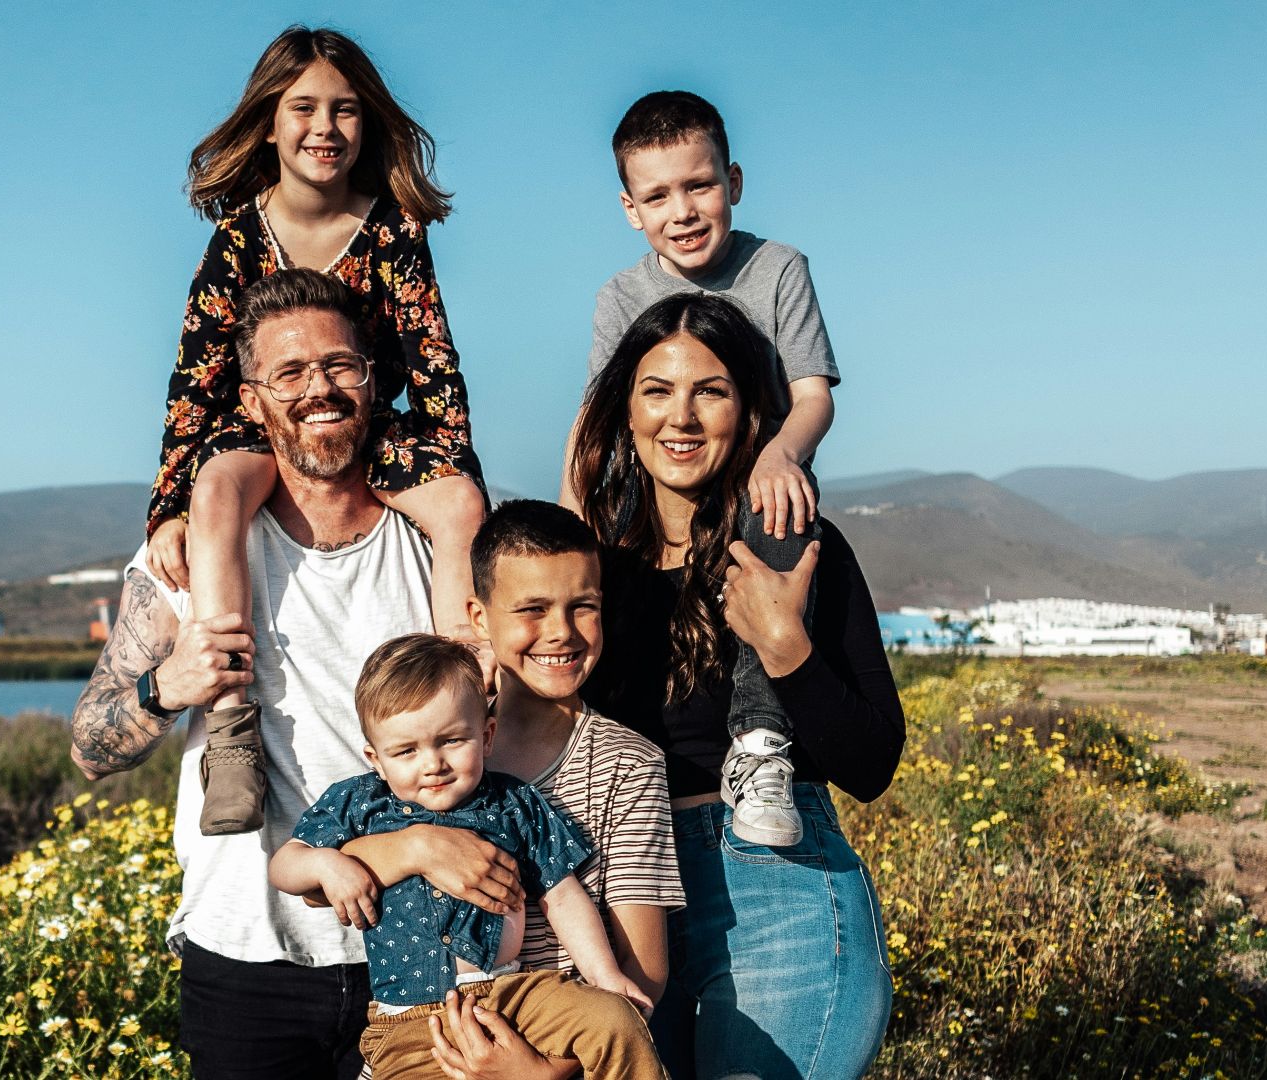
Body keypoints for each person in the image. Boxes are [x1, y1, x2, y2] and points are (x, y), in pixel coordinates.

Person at [73, 270, 479, 1079]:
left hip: (423, 954)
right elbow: (89, 745)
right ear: (252, 401)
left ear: (373, 381)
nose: (318, 389)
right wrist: (169, 686)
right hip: (244, 953)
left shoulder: (434, 546)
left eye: (340, 366)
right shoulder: (190, 558)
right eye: (289, 373)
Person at [547, 292, 901, 1080]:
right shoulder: (587, 569)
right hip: (621, 893)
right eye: (656, 390)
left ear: (749, 414)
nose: (681, 417)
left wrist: (785, 647)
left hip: (776, 885)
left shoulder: (795, 546)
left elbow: (872, 762)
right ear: (625, 411)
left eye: (710, 391)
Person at [146, 26, 487, 837]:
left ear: (367, 124)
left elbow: (434, 365)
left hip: (371, 426)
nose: (324, 128)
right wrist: (166, 508)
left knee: (461, 506)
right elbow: (193, 383)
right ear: (269, 123)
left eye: (344, 109)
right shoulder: (236, 237)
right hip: (258, 428)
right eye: (303, 108)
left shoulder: (394, 230)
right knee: (217, 489)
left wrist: (453, 473)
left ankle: (472, 695)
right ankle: (232, 729)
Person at [561, 90, 844, 848]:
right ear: (631, 209)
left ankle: (760, 745)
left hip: (758, 491)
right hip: (656, 498)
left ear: (734, 182)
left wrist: (782, 452)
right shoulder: (622, 296)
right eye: (657, 196)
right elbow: (594, 420)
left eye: (699, 186)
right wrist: (569, 521)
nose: (682, 211)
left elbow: (813, 396)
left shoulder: (778, 268)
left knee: (777, 515)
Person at [318, 499, 686, 1080]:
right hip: (421, 1037)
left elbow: (644, 973)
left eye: (583, 607)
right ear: (480, 618)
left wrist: (538, 1073)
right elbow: (322, 886)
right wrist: (418, 847)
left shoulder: (628, 764)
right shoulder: (425, 744)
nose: (560, 631)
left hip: (552, 1051)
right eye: (532, 609)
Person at [270, 634, 661, 1080]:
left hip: (515, 995)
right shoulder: (360, 804)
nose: (432, 763)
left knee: (614, 1020)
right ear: (375, 759)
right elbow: (286, 865)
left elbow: (563, 896)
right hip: (410, 1023)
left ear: (486, 736)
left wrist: (604, 975)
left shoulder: (513, 803)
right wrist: (325, 863)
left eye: (452, 740)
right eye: (406, 751)